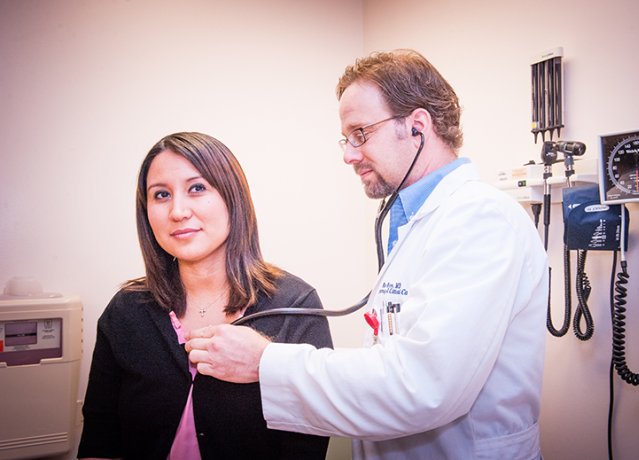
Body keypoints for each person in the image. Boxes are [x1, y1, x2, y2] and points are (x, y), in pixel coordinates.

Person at [187, 50, 549, 459]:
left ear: (417, 127)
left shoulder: (482, 220)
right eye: (347, 138)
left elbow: (424, 387)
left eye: (361, 132)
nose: (349, 154)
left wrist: (265, 362)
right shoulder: (413, 222)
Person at [77, 132, 332, 460]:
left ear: (232, 196)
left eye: (196, 188)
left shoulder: (295, 306)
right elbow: (101, 438)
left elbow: (307, 443)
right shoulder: (126, 310)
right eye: (161, 195)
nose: (178, 211)